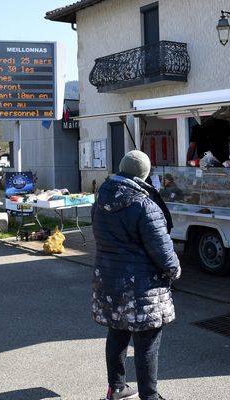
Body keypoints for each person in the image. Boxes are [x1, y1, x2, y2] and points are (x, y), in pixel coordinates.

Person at [92, 150, 181, 400]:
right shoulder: (143, 203)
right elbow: (162, 250)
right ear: (145, 174)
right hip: (142, 285)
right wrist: (174, 270)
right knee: (147, 341)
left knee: (117, 333)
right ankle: (150, 396)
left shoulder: (101, 197)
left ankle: (117, 387)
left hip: (109, 279)